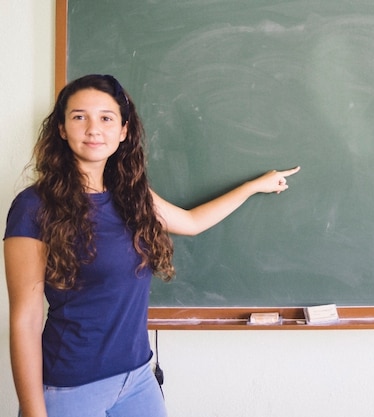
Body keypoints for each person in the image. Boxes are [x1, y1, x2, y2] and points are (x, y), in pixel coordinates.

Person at [4, 74, 300, 417]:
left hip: (138, 379)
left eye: (106, 118)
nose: (93, 129)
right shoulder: (33, 206)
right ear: (61, 128)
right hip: (71, 387)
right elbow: (25, 318)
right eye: (79, 117)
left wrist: (253, 186)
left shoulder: (132, 197)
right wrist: (32, 409)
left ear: (123, 131)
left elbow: (191, 222)